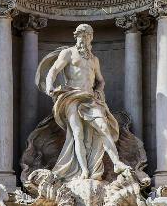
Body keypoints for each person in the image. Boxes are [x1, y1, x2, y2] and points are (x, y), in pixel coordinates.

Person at [36, 23, 129, 181]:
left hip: (90, 98)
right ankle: (84, 171)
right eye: (81, 35)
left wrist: (99, 91)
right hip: (72, 96)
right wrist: (49, 85)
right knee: (77, 134)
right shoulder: (68, 53)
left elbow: (100, 81)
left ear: (91, 38)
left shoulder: (94, 60)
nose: (84, 39)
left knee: (103, 128)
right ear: (76, 37)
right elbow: (54, 70)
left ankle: (117, 163)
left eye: (87, 36)